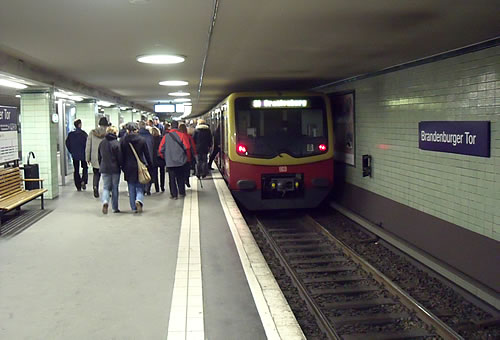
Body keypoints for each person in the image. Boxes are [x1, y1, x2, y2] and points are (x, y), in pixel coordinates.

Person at [121, 122, 152, 213]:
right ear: (137, 129)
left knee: (131, 187)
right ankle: (139, 200)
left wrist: (121, 166)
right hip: (140, 166)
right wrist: (150, 165)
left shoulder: (123, 140)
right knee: (140, 186)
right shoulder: (142, 139)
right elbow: (146, 154)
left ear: (127, 130)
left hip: (127, 166)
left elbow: (121, 154)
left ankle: (133, 208)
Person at [159, 120, 189, 199]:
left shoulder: (165, 137)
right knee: (180, 177)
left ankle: (174, 194)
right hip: (181, 161)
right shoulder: (182, 135)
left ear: (171, 126)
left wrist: (166, 158)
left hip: (170, 162)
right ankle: (182, 192)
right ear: (178, 126)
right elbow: (187, 147)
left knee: (171, 179)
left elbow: (160, 150)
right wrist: (187, 158)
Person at [98, 126, 122, 214]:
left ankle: (105, 201)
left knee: (106, 187)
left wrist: (101, 164)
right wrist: (121, 166)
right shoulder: (116, 143)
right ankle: (115, 208)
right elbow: (120, 157)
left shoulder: (102, 143)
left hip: (104, 168)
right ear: (115, 133)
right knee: (115, 188)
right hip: (115, 169)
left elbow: (99, 156)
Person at [86, 116, 108, 198]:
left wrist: (87, 158)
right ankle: (107, 190)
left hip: (95, 158)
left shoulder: (92, 132)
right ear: (106, 125)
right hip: (105, 158)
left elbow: (88, 146)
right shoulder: (108, 133)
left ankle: (95, 187)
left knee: (96, 174)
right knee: (106, 175)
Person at [65, 119, 88, 191]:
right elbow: (88, 144)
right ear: (79, 125)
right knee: (85, 168)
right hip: (83, 154)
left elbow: (67, 143)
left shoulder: (71, 134)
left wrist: (71, 151)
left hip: (75, 155)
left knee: (76, 170)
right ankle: (83, 180)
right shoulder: (84, 134)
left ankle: (78, 185)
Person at [138, 121, 154, 195]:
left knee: (141, 174)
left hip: (140, 159)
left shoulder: (137, 137)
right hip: (149, 158)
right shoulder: (150, 136)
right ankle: (148, 189)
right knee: (148, 174)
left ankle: (142, 188)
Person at [178, 123, 197, 188]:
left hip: (179, 156)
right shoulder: (188, 136)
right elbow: (192, 146)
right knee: (187, 169)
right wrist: (195, 153)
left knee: (181, 170)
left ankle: (182, 181)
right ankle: (187, 180)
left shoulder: (177, 136)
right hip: (188, 156)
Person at [151, 127, 166, 193]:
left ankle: (157, 188)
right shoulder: (162, 138)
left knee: (155, 173)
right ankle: (162, 186)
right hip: (161, 157)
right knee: (162, 172)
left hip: (154, 157)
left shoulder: (151, 139)